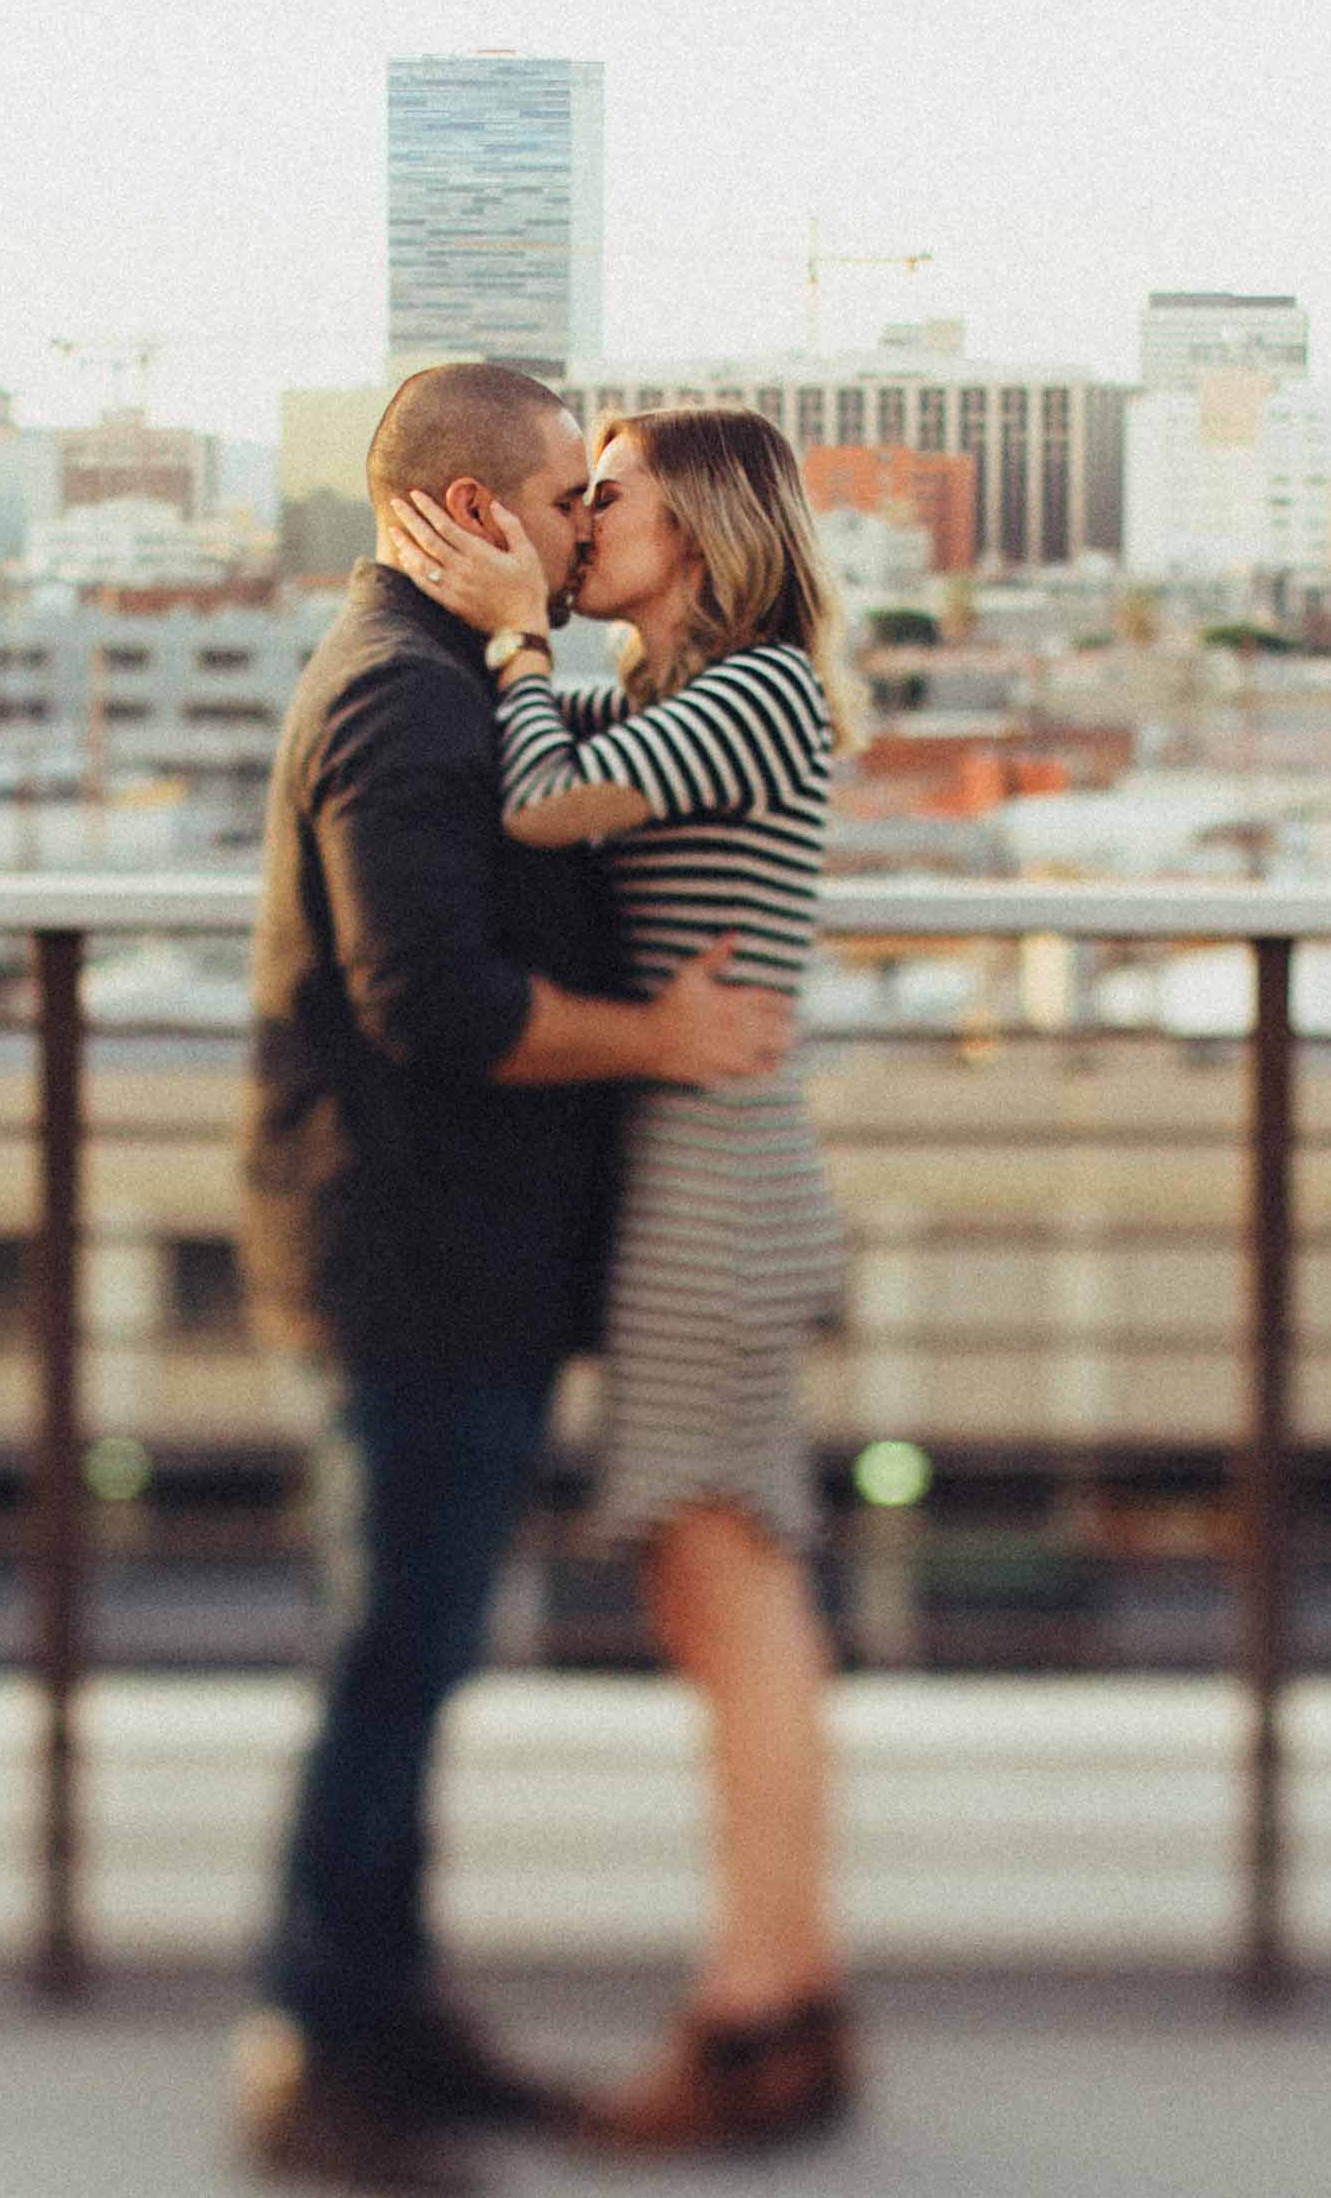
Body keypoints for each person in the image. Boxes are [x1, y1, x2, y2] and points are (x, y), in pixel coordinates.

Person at [235, 361, 800, 2195]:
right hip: (415, 1257)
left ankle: (388, 2017)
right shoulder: (408, 701)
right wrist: (654, 1036)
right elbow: (434, 1002)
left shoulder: (464, 668)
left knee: (411, 1645)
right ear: (481, 512)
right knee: (393, 1655)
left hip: (458, 1249)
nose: (586, 523)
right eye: (571, 496)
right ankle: (322, 2047)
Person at [383, 406, 858, 2153]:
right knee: (713, 1594)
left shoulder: (761, 689)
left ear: (708, 524)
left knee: (729, 1604)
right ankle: (783, 1998)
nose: (577, 519)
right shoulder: (665, 698)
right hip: (692, 1173)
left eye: (608, 495)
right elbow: (534, 746)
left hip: (717, 1182)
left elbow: (532, 797)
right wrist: (496, 625)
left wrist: (512, 631)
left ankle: (758, 2014)